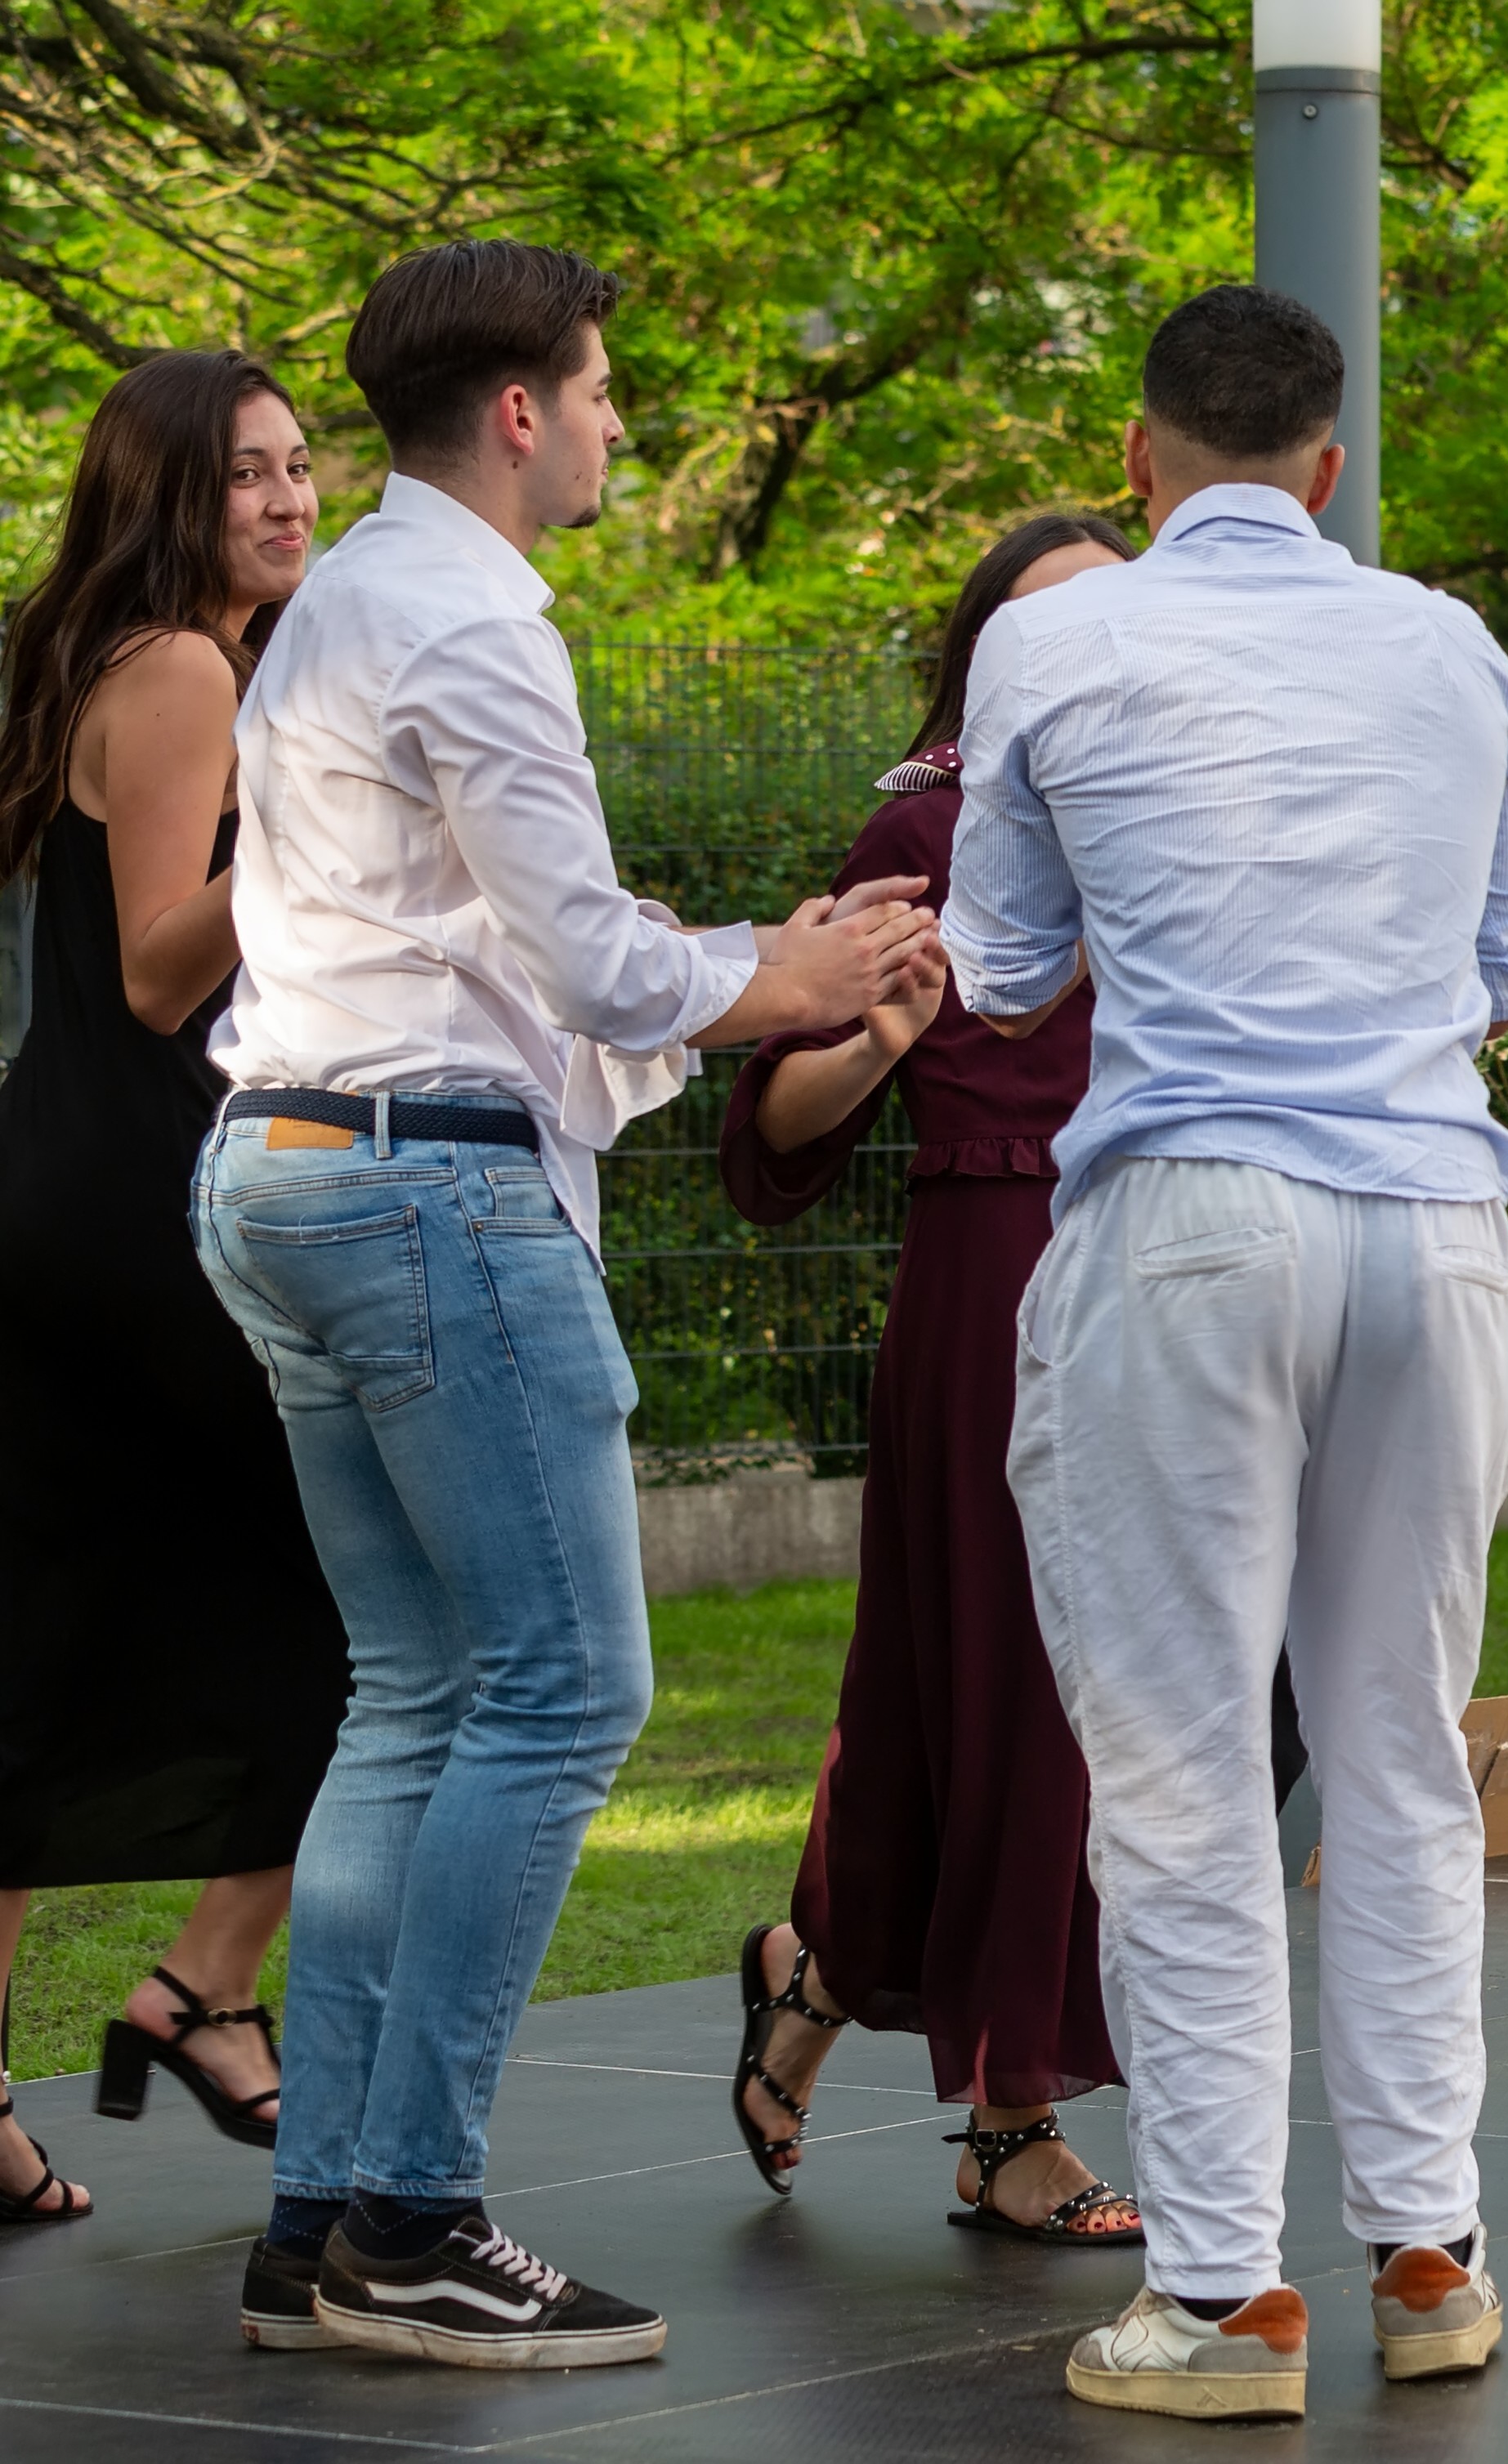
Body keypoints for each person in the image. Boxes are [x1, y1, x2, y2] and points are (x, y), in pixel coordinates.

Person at [198, 239, 937, 2365]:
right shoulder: (474, 622)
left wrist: (751, 959)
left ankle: (326, 2220)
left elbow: (513, 957)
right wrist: (791, 974)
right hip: (425, 1191)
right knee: (560, 1693)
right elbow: (605, 976)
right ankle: (416, 2215)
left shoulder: (345, 601)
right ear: (519, 411)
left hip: (289, 1164)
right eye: (602, 389)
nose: (618, 421)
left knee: (418, 1695)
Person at [942, 284, 1508, 2424]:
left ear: (1138, 458)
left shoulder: (1052, 644)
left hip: (1191, 1217)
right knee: (1398, 1747)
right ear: (1328, 463)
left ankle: (1216, 2291)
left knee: (1184, 1767)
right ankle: (1431, 2251)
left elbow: (999, 965)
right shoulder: (1455, 652)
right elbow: (1504, 967)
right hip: (1431, 1221)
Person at [717, 512, 1181, 2247]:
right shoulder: (923, 830)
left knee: (996, 1704)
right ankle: (1010, 2120)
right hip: (994, 1274)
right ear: (984, 656)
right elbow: (771, 1131)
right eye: (1041, 623)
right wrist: (882, 1037)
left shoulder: (1188, 814)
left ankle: (822, 1969)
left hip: (1173, 1266)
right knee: (1023, 1697)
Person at [0, 351, 351, 2229]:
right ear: (165, 495)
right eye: (246, 476)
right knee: (387, 1592)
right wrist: (319, 820)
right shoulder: (183, 670)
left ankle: (171, 2003)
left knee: (47, 1642)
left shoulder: (135, 657)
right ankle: (207, 1987)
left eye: (301, 464)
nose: (292, 500)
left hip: (81, 1190)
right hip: (141, 1205)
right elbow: (156, 969)